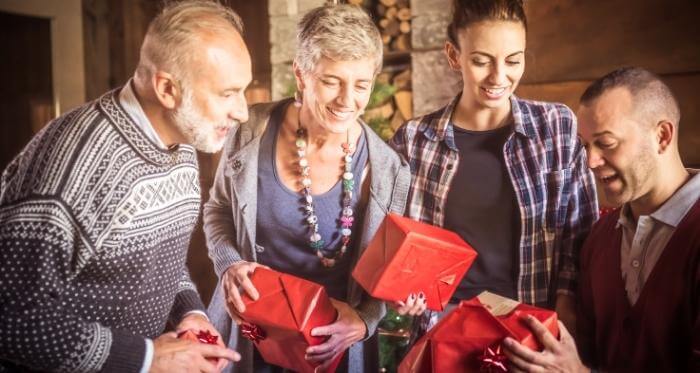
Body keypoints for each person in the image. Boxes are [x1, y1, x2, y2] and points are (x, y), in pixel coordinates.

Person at [0, 1, 250, 371]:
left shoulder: (181, 137)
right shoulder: (73, 165)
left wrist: (190, 312)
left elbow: (156, 260)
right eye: (227, 93)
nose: (242, 111)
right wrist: (147, 358)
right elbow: (10, 317)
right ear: (167, 89)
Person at [204, 4, 411, 372]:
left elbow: (386, 273)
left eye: (361, 85)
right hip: (247, 339)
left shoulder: (387, 170)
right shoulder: (249, 130)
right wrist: (229, 264)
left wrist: (364, 320)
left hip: (331, 350)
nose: (348, 101)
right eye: (331, 81)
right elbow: (218, 209)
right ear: (301, 74)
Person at [389, 0, 599, 333]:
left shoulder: (556, 127)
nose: (499, 76)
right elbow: (397, 242)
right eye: (481, 61)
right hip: (446, 329)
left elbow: (582, 232)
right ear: (453, 56)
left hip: (535, 328)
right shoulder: (414, 140)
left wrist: (565, 306)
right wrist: (407, 288)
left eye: (513, 60)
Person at [502, 67, 700, 372]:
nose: (591, 162)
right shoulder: (599, 239)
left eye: (606, 143)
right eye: (585, 145)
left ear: (662, 136)